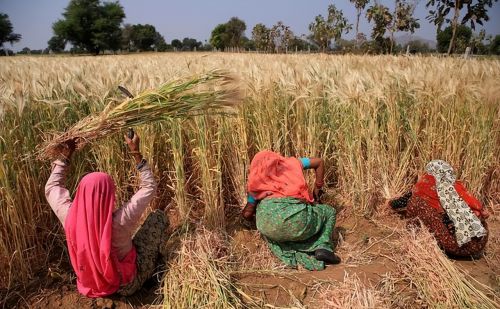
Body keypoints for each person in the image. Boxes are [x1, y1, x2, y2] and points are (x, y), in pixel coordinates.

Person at [45, 132, 167, 297]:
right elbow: (149, 188)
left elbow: (52, 187)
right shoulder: (120, 222)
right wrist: (136, 154)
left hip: (91, 284)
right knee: (158, 217)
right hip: (125, 284)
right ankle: (156, 272)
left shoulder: (68, 217)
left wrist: (66, 156)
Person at [242, 150, 340, 271]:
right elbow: (319, 162)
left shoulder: (257, 182)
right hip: (298, 221)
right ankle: (324, 247)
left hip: (267, 226)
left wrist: (252, 217)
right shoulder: (291, 164)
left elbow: (247, 213)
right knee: (329, 211)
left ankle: (289, 242)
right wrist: (317, 187)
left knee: (277, 228)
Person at [390, 160, 489, 257]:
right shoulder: (456, 186)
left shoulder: (424, 184)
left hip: (454, 246)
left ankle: (416, 231)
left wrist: (389, 204)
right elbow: (481, 210)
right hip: (479, 242)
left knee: (416, 202)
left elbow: (400, 202)